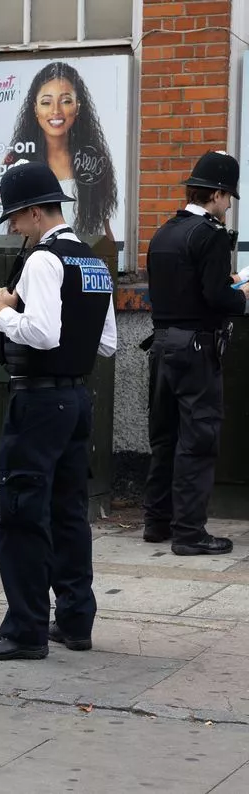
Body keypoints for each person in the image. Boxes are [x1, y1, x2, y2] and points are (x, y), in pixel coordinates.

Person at [0, 159, 116, 662]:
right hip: (76, 398)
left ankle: (25, 629)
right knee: (69, 510)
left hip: (39, 400)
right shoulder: (92, 261)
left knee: (22, 514)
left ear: (32, 212)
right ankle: (75, 619)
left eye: (13, 217)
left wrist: (3, 312)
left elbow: (43, 333)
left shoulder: (44, 260)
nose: (11, 228)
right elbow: (109, 344)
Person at [142, 151, 249, 555]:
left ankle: (157, 522)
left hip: (162, 343)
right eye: (228, 198)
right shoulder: (211, 234)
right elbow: (215, 297)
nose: (227, 206)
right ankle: (190, 533)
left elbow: (178, 287)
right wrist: (241, 294)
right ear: (218, 194)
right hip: (197, 348)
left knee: (165, 438)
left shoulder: (165, 231)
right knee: (198, 439)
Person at [3, 61, 117, 240]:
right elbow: (15, 228)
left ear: (78, 106)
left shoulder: (94, 163)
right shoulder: (19, 166)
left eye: (65, 101)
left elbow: (104, 229)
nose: (56, 111)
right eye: (46, 102)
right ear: (35, 108)